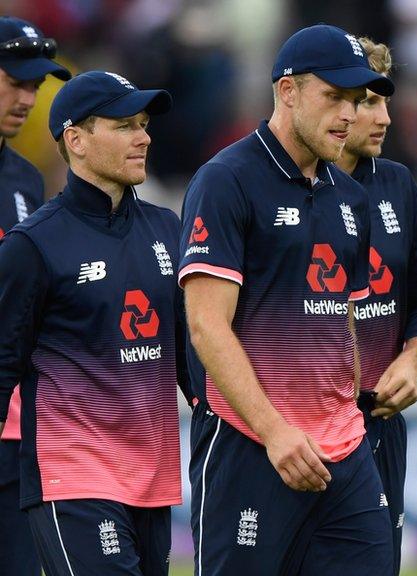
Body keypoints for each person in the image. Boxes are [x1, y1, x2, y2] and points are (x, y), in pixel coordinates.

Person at [179, 24, 396, 575]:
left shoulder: (351, 196)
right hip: (251, 447)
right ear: (287, 91)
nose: (349, 114)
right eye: (334, 96)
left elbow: (344, 316)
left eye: (356, 99)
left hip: (345, 455)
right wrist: (276, 432)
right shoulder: (226, 180)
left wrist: (350, 406)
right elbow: (206, 326)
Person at [0, 69, 181, 575]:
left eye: (144, 123)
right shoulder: (32, 244)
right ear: (75, 140)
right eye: (124, 125)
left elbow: (195, 360)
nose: (143, 136)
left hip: (152, 478)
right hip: (70, 478)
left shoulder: (170, 230)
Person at [335, 36, 417, 575]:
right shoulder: (264, 185)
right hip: (297, 426)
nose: (383, 116)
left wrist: (414, 359)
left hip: (379, 423)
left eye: (385, 100)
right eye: (366, 101)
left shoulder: (399, 184)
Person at [0, 16, 70, 576]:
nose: (30, 98)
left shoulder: (25, 180)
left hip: (14, 430)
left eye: (35, 85)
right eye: (17, 81)